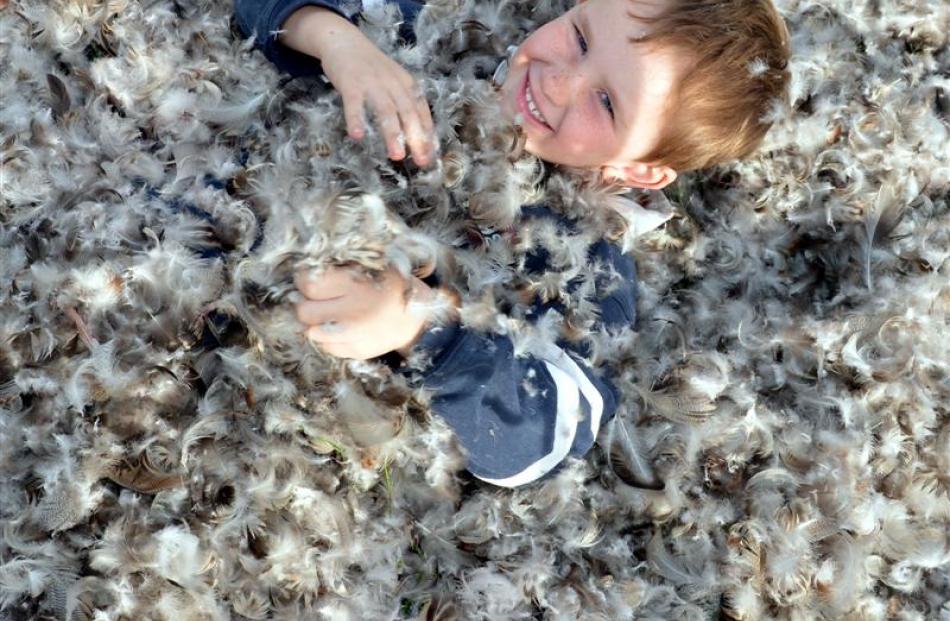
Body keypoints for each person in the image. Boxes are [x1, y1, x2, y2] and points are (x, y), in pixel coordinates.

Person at [232, 0, 790, 487]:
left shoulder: (590, 272)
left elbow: (547, 433)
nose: (559, 80)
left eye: (609, 103)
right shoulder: (446, 33)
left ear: (639, 171)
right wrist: (341, 44)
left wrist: (418, 323)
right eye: (580, 37)